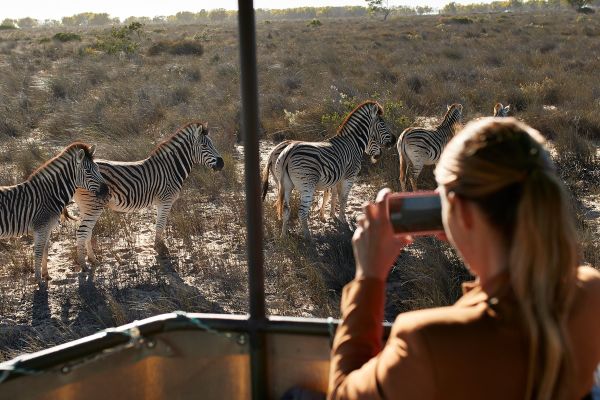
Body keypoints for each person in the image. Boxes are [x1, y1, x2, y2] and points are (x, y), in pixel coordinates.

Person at [328, 118, 600, 399]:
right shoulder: (591, 292)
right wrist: (467, 232)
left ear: (462, 213)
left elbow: (341, 394)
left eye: (442, 197)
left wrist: (369, 276)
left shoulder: (427, 341)